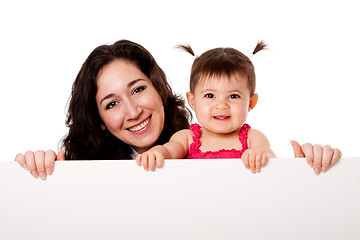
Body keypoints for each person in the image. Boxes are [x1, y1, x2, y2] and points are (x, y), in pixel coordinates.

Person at [15, 39, 341, 179]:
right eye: (112, 103)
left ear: (160, 92)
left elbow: (264, 169)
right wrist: (39, 171)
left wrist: (305, 172)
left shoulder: (193, 140)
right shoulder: (85, 172)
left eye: (139, 89)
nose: (132, 111)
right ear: (98, 120)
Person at [136, 41, 341, 174]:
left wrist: (260, 155)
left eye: (233, 96)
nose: (221, 105)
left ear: (250, 103)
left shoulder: (252, 137)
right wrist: (158, 153)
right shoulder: (187, 138)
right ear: (193, 101)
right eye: (209, 95)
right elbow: (169, 151)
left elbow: (270, 158)